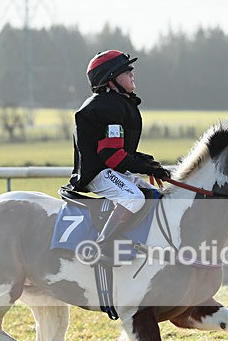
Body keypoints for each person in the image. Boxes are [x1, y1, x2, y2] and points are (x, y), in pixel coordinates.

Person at [62, 49, 170, 265]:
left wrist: (148, 163)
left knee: (155, 194)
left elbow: (120, 152)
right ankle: (100, 247)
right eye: (126, 70)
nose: (132, 73)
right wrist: (147, 168)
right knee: (134, 197)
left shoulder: (117, 104)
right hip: (97, 174)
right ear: (111, 80)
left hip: (111, 170)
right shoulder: (108, 106)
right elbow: (111, 156)